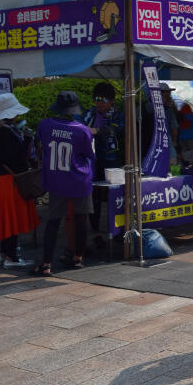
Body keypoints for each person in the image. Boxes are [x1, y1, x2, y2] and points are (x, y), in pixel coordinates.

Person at [33, 91, 95, 275]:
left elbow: (40, 146)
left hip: (56, 180)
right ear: (74, 110)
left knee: (53, 222)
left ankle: (46, 264)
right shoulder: (82, 129)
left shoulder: (45, 125)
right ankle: (78, 258)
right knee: (81, 218)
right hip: (79, 179)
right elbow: (89, 154)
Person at [0, 93, 38, 268]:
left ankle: (4, 253)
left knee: (6, 218)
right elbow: (18, 159)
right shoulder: (5, 133)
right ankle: (11, 256)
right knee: (12, 218)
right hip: (9, 180)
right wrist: (27, 139)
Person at [82, 81, 125, 235]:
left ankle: (118, 232)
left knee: (115, 196)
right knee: (94, 199)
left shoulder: (118, 114)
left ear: (111, 100)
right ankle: (96, 233)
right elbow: (81, 127)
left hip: (113, 162)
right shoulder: (89, 114)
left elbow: (116, 129)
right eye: (96, 99)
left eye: (103, 99)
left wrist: (97, 130)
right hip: (93, 162)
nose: (99, 103)